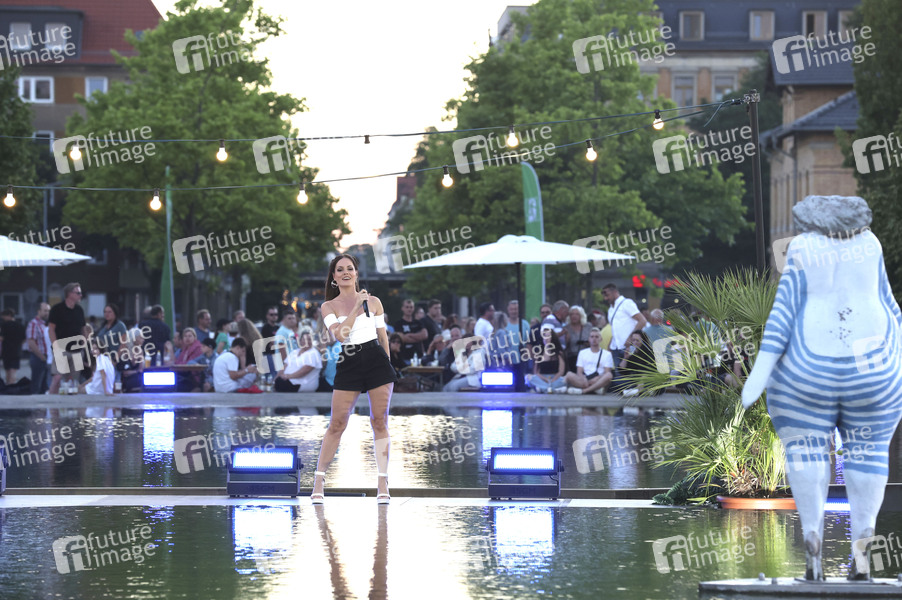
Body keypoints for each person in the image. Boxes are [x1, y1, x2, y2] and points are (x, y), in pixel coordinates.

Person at [313, 253, 396, 504]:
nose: (345, 272)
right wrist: (358, 306)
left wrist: (387, 365)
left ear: (356, 273)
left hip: (376, 359)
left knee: (379, 420)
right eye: (340, 270)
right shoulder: (328, 306)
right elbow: (341, 335)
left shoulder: (375, 302)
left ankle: (382, 481)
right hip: (349, 359)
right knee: (337, 423)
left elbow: (382, 336)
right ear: (334, 277)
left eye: (350, 268)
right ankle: (319, 479)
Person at [48, 282, 87, 394]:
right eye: (78, 293)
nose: (80, 295)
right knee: (57, 378)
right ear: (69, 294)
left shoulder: (79, 310)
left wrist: (84, 344)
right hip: (62, 349)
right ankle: (49, 400)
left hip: (77, 350)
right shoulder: (57, 309)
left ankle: (70, 403)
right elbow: (51, 329)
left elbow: (83, 328)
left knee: (73, 381)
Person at [603, 284, 648, 378]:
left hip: (628, 347)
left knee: (629, 378)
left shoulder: (627, 303)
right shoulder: (610, 309)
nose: (605, 298)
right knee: (619, 378)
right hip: (615, 348)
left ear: (615, 292)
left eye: (607, 295)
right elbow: (615, 330)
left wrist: (630, 338)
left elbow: (642, 321)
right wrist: (610, 345)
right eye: (604, 296)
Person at [564, 328, 614, 394]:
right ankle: (595, 389)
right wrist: (583, 378)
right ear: (589, 339)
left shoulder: (607, 354)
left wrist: (597, 378)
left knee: (609, 375)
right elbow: (579, 372)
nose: (594, 339)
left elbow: (607, 372)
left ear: (601, 339)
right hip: (585, 379)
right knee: (569, 374)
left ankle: (584, 391)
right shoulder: (582, 352)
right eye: (592, 337)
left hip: (598, 379)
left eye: (596, 337)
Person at [611, 330, 656, 396]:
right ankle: (639, 391)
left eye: (637, 340)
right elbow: (622, 371)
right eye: (633, 340)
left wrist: (642, 380)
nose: (635, 342)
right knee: (615, 381)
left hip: (646, 379)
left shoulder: (649, 352)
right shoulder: (631, 352)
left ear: (643, 341)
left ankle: (633, 391)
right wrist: (625, 358)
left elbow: (650, 369)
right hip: (633, 379)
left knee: (650, 384)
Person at [527, 324, 566, 393]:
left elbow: (561, 371)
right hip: (542, 378)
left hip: (555, 378)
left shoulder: (558, 353)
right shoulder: (539, 353)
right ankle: (550, 389)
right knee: (528, 377)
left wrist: (552, 380)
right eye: (544, 336)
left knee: (565, 379)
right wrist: (545, 380)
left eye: (548, 336)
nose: (546, 338)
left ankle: (542, 388)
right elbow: (536, 372)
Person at [80, 328, 115, 396]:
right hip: (98, 388)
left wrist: (106, 391)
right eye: (92, 349)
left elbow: (103, 374)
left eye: (96, 349)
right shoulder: (105, 359)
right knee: (80, 389)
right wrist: (82, 385)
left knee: (79, 392)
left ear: (101, 349)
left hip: (97, 389)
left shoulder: (100, 358)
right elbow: (94, 377)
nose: (93, 351)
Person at [26, 303, 51, 394]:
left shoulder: (45, 324)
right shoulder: (33, 324)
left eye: (48, 311)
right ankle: (34, 402)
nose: (47, 313)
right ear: (39, 311)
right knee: (37, 385)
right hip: (38, 358)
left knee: (45, 386)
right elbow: (31, 343)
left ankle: (43, 403)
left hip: (47, 358)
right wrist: (42, 357)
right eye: (45, 311)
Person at [394, 298, 427, 363]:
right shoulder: (398, 323)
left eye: (411, 307)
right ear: (402, 308)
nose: (409, 309)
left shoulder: (418, 323)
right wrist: (418, 338)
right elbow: (403, 338)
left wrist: (410, 335)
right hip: (405, 357)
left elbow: (425, 335)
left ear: (414, 308)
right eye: (407, 307)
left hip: (419, 357)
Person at [0, 309, 25, 385]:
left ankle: (8, 385)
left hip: (6, 351)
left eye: (4, 316)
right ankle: (12, 385)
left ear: (9, 315)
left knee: (7, 371)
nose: (3, 318)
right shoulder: (20, 325)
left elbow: (1, 338)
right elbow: (24, 339)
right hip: (16, 351)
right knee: (13, 371)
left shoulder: (4, 325)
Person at [175, 328, 205, 392]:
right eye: (185, 336)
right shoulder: (185, 349)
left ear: (195, 337)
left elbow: (189, 363)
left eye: (190, 336)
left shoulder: (198, 348)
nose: (187, 338)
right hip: (184, 374)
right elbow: (177, 361)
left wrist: (180, 363)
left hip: (194, 376)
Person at [562, 305, 590, 372]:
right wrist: (567, 340)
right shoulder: (565, 328)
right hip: (570, 358)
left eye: (577, 314)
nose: (574, 316)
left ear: (581, 316)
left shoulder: (588, 327)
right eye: (572, 314)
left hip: (586, 358)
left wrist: (588, 343)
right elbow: (562, 346)